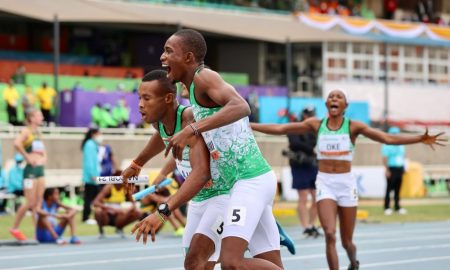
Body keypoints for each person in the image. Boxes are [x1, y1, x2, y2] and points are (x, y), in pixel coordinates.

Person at [250, 89, 446, 270]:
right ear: (326, 103)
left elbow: (387, 138)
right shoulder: (316, 124)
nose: (334, 98)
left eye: (339, 97)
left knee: (347, 242)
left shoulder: (353, 127)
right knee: (329, 233)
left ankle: (353, 261)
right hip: (325, 182)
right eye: (331, 96)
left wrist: (419, 138)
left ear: (345, 105)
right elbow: (281, 128)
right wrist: (249, 125)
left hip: (346, 184)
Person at [158, 29, 285, 269]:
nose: (162, 58)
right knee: (270, 264)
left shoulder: (203, 77)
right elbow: (165, 133)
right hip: (241, 185)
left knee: (231, 263)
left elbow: (241, 106)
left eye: (168, 51)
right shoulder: (193, 96)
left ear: (188, 57)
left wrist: (192, 129)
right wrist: (139, 163)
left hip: (250, 180)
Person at [126, 70, 228, 270]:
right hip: (199, 201)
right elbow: (164, 138)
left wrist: (162, 212)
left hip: (223, 195)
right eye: (139, 98)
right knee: (194, 265)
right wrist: (137, 164)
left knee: (203, 261)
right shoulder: (159, 122)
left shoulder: (190, 119)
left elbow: (202, 172)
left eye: (146, 98)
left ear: (168, 98)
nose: (140, 104)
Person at [10, 108, 46, 241]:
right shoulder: (27, 131)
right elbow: (16, 143)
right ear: (31, 118)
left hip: (40, 169)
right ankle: (14, 227)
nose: (42, 117)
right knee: (29, 202)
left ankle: (37, 233)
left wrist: (44, 158)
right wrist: (27, 157)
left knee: (38, 202)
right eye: (39, 115)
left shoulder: (38, 132)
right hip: (30, 170)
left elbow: (43, 149)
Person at [284, 106, 320, 237]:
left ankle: (311, 225)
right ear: (304, 115)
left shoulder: (313, 129)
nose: (312, 116)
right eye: (310, 114)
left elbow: (312, 144)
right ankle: (305, 227)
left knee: (317, 196)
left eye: (313, 114)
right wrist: (308, 147)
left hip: (312, 164)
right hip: (299, 165)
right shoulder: (295, 126)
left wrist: (306, 146)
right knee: (303, 196)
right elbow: (294, 143)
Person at [382, 126, 407, 215]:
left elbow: (402, 157)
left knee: (398, 189)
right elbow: (385, 158)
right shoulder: (386, 144)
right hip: (391, 168)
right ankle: (387, 207)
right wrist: (387, 170)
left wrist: (404, 167)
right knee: (389, 189)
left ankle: (397, 207)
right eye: (394, 134)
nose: (395, 135)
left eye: (397, 133)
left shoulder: (401, 144)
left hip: (399, 168)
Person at [81, 126, 102, 224]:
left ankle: (93, 216)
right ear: (94, 134)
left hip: (94, 176)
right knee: (89, 198)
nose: (101, 136)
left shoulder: (93, 145)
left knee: (94, 197)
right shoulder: (89, 144)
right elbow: (89, 162)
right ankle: (86, 217)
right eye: (99, 134)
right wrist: (93, 175)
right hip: (91, 177)